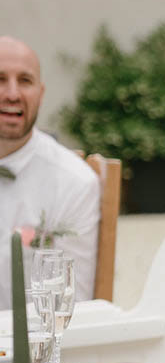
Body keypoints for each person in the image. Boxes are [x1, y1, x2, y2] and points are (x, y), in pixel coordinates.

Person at [0, 36, 99, 306]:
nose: (12, 94)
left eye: (25, 81)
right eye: (0, 79)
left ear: (40, 94)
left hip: (27, 346)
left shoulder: (74, 183)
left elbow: (71, 304)